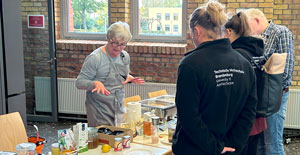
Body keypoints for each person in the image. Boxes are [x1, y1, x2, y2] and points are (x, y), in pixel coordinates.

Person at [172, 1, 257, 154]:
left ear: (197, 31)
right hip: (233, 149)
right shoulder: (245, 64)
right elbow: (249, 112)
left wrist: (215, 148)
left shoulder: (190, 64)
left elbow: (188, 117)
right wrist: (233, 146)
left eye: (192, 34)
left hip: (196, 150)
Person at [76, 21, 145, 127]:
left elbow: (121, 75)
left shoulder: (124, 56)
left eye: (123, 44)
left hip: (118, 107)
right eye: (115, 43)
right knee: (102, 141)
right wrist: (95, 83)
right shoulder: (95, 58)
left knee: (117, 139)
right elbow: (79, 82)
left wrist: (128, 78)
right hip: (99, 109)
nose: (118, 47)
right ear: (108, 38)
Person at [245, 8, 294, 155]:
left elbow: (286, 70)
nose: (247, 31)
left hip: (274, 95)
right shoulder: (256, 38)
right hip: (260, 95)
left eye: (248, 26)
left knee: (272, 145)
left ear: (257, 20)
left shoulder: (281, 32)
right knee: (260, 145)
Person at [225, 11, 266, 155]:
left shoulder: (238, 56)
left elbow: (238, 95)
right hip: (258, 120)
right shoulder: (257, 50)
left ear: (229, 31)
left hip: (243, 125)